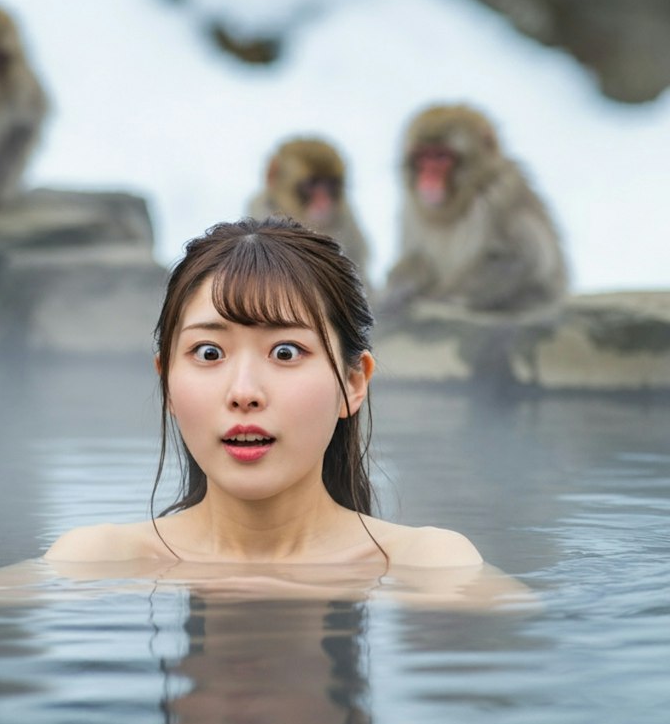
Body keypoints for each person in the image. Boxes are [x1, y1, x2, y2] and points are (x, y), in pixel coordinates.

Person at [44, 217, 482, 570]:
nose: (244, 393)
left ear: (353, 383)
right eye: (210, 352)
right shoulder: (96, 563)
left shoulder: (428, 568)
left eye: (286, 352)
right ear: (167, 386)